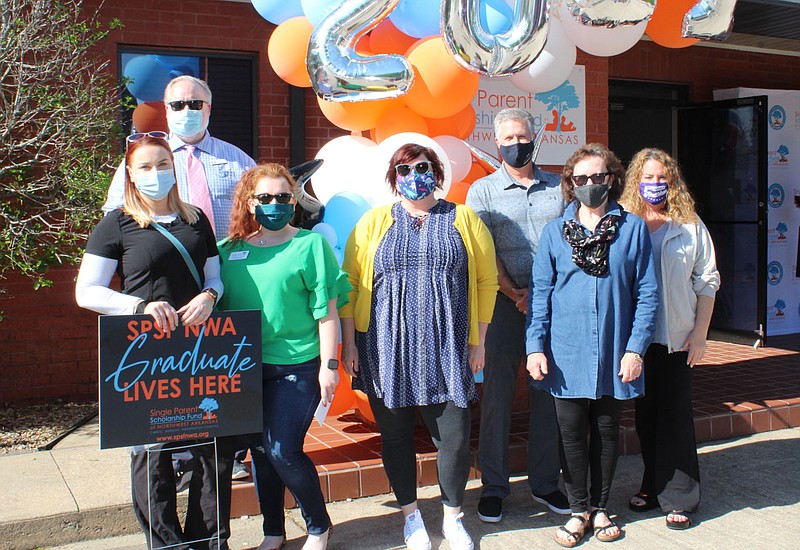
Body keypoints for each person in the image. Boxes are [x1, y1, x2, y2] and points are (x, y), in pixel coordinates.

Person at [75, 133, 230, 549]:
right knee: (152, 452)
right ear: (130, 173)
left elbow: (214, 276)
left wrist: (209, 296)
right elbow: (86, 291)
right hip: (146, 353)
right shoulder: (116, 223)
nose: (156, 173)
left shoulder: (197, 219)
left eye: (162, 164)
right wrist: (140, 307)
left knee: (209, 448)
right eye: (145, 166)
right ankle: (164, 543)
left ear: (173, 169)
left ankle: (210, 540)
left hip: (200, 349)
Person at [340, 143, 498, 550]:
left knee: (455, 438)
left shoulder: (463, 218)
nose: (414, 175)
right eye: (404, 169)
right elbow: (350, 284)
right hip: (384, 348)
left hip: (447, 349)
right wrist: (350, 343)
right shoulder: (373, 222)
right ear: (394, 177)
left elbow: (486, 281)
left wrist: (477, 341)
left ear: (437, 171)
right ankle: (411, 517)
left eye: (422, 166)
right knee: (395, 438)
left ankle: (452, 517)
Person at [525, 143, 658, 547]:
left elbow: (648, 293)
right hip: (565, 352)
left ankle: (600, 508)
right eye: (580, 179)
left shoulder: (632, 228)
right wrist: (535, 347)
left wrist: (636, 349)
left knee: (606, 432)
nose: (589, 185)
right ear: (570, 184)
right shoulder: (554, 233)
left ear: (612, 179)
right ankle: (578, 509)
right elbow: (541, 293)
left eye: (597, 177)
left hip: (615, 352)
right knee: (569, 434)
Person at [217, 163, 351, 550]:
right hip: (244, 369)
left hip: (298, 365)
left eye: (282, 198)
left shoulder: (310, 245)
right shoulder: (228, 252)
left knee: (282, 449)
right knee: (260, 453)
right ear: (249, 201)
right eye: (265, 198)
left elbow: (326, 311)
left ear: (293, 201)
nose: (274, 204)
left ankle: (318, 526)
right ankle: (273, 531)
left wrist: (330, 365)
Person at [465, 108, 569, 522]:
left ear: (535, 137)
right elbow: (482, 249)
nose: (516, 144)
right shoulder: (483, 191)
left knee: (548, 394)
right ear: (496, 143)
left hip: (553, 306)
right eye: (507, 139)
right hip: (504, 307)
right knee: (498, 398)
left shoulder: (559, 187)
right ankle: (494, 487)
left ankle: (546, 483)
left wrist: (542, 295)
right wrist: (513, 292)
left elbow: (568, 239)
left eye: (522, 137)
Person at [621, 148, 720, 531]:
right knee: (646, 417)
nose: (655, 184)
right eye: (648, 177)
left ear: (672, 180)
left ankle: (680, 496)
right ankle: (652, 484)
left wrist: (700, 334)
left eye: (662, 177)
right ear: (636, 180)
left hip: (678, 340)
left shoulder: (689, 223)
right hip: (639, 342)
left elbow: (707, 280)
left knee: (675, 416)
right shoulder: (625, 221)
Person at [103, 75, 256, 238]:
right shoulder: (140, 160)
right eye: (178, 105)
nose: (186, 111)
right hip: (168, 259)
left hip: (229, 259)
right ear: (167, 110)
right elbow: (114, 213)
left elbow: (258, 213)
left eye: (195, 104)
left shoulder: (240, 161)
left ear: (209, 109)